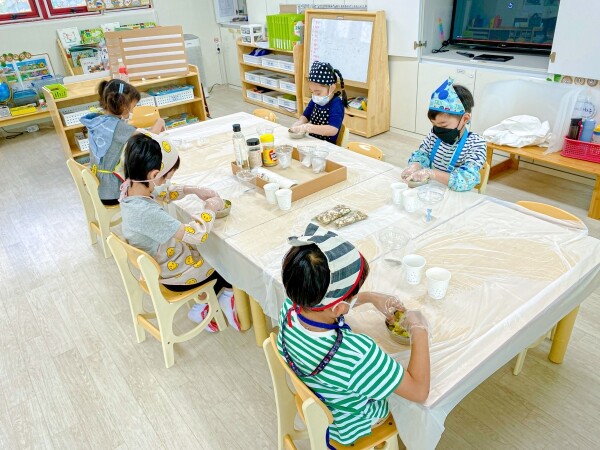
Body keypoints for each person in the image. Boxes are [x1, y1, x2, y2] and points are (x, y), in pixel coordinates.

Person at [277, 223, 430, 445]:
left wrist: (369, 297)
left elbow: (326, 307)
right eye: (353, 294)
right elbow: (419, 391)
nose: (356, 296)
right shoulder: (357, 353)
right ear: (338, 307)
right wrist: (419, 329)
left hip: (319, 397)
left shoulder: (290, 307)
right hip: (349, 424)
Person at [119, 132, 240, 330]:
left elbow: (161, 192)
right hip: (173, 275)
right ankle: (214, 302)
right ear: (153, 175)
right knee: (226, 259)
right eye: (166, 177)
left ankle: (217, 298)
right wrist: (210, 208)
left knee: (216, 249)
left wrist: (193, 190)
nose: (166, 182)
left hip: (163, 263)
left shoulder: (131, 187)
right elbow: (196, 234)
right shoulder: (146, 213)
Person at [80, 79, 165, 205]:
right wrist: (160, 122)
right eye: (133, 106)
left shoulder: (99, 121)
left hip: (95, 186)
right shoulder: (117, 127)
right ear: (123, 106)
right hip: (112, 192)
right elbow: (148, 138)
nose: (133, 111)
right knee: (153, 189)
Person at [401, 79, 487, 192]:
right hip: (430, 191)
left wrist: (431, 173)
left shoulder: (476, 144)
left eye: (443, 125)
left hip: (456, 195)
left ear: (465, 119)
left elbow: (466, 179)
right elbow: (422, 154)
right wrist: (416, 165)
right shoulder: (434, 135)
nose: (437, 130)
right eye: (434, 125)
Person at [290, 61, 347, 144]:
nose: (314, 95)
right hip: (313, 141)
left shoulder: (336, 104)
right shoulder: (315, 100)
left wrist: (307, 127)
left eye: (318, 93)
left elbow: (333, 129)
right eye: (312, 92)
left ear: (332, 88)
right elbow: (305, 116)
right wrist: (299, 123)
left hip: (328, 145)